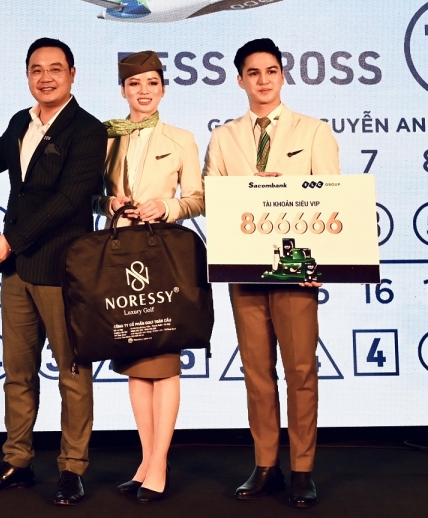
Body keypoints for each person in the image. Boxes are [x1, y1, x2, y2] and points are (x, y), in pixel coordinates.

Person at [0, 38, 107, 506]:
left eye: (55, 68)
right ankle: (17, 461)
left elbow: (68, 201)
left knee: (72, 372)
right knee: (18, 373)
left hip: (62, 269)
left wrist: (9, 240)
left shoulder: (88, 130)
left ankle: (72, 468)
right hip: (17, 272)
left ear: (72, 74)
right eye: (36, 69)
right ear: (28, 75)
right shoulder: (20, 121)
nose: (45, 77)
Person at [204, 38, 339, 509]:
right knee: (257, 372)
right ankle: (265, 465)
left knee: (300, 370)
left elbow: (330, 199)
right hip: (244, 265)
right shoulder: (224, 137)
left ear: (282, 75)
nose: (263, 80)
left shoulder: (314, 131)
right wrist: (249, 193)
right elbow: (214, 200)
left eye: (271, 71)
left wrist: (320, 262)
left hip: (296, 266)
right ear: (240, 80)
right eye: (254, 73)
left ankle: (302, 469)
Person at [99, 51, 204, 504]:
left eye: (152, 83)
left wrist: (168, 206)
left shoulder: (181, 139)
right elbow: (91, 194)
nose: (144, 91)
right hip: (120, 253)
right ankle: (146, 461)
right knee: (134, 362)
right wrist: (108, 203)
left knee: (164, 359)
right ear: (123, 90)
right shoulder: (105, 137)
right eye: (135, 83)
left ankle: (158, 464)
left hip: (162, 253)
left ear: (163, 89)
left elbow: (199, 197)